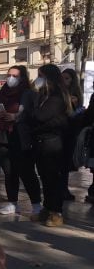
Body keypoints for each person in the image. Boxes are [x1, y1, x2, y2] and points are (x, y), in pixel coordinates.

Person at [0, 65, 41, 215]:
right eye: (9, 75)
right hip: (0, 136)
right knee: (9, 172)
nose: (11, 78)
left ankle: (36, 204)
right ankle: (12, 203)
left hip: (20, 137)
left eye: (15, 76)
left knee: (26, 171)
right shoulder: (1, 93)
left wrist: (16, 117)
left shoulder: (29, 94)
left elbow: (35, 114)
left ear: (22, 77)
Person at [30, 64, 71, 226]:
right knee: (45, 178)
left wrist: (31, 113)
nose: (38, 79)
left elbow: (40, 116)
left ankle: (56, 212)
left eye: (41, 76)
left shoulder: (56, 97)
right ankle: (47, 209)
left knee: (53, 179)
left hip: (52, 143)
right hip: (42, 141)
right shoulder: (45, 95)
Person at [60, 68, 84, 201]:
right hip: (60, 133)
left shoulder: (75, 95)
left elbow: (76, 116)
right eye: (62, 78)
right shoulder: (59, 93)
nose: (64, 81)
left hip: (69, 134)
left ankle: (63, 189)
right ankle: (61, 189)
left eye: (67, 78)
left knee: (65, 164)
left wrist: (75, 107)